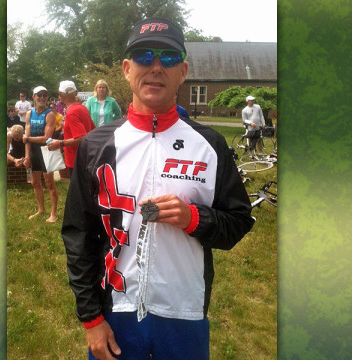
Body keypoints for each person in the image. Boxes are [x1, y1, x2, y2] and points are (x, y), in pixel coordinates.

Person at [61, 17, 255, 360]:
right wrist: (90, 317)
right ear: (126, 68)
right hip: (115, 313)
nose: (155, 68)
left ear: (182, 71)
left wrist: (193, 219)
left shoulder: (209, 145)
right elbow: (79, 234)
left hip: (185, 314)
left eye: (167, 58)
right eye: (143, 57)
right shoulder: (95, 146)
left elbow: (238, 221)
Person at [22, 86, 58, 223]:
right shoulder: (29, 114)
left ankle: (54, 213)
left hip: (46, 151)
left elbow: (46, 138)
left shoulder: (50, 114)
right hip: (33, 152)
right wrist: (27, 156)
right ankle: (41, 210)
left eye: (44, 95)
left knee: (49, 183)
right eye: (39, 95)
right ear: (34, 97)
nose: (42, 98)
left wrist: (28, 139)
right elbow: (27, 136)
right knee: (35, 182)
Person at [47, 80, 95, 177]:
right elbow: (93, 131)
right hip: (86, 158)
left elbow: (81, 138)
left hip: (76, 161)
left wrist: (59, 143)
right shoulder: (82, 108)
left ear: (60, 94)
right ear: (76, 93)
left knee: (78, 191)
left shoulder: (72, 112)